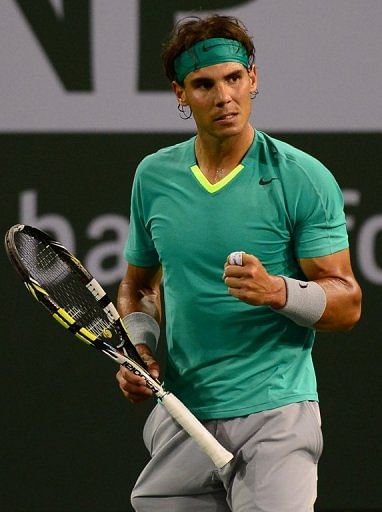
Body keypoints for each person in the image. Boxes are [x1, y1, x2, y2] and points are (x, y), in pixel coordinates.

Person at [116, 14, 362, 512]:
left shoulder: (301, 177)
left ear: (253, 78)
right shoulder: (154, 176)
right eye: (203, 84)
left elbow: (348, 301)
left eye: (233, 78)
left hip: (275, 414)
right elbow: (139, 287)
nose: (223, 96)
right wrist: (138, 347)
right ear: (180, 94)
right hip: (183, 412)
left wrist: (278, 291)